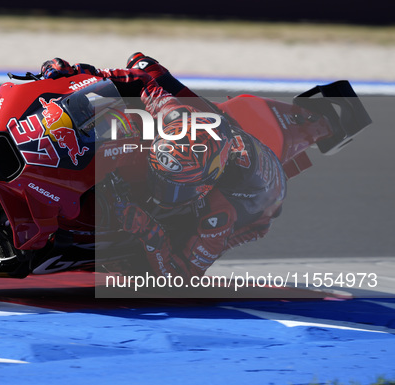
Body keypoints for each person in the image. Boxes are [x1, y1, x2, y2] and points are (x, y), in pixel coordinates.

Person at [41, 54, 286, 280]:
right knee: (142, 64)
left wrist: (150, 232)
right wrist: (75, 72)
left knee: (135, 270)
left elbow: (181, 277)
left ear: (204, 186)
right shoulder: (174, 116)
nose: (161, 193)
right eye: (162, 180)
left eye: (175, 188)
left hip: (254, 215)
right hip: (221, 135)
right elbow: (141, 80)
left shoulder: (220, 215)